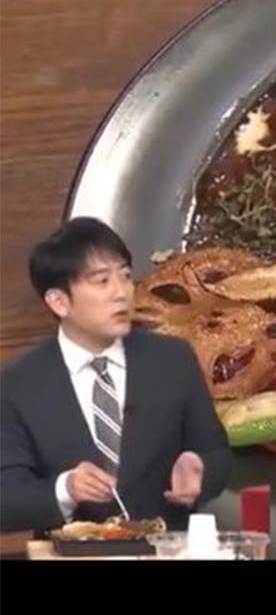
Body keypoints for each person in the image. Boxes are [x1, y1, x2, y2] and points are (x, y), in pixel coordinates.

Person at [1, 217, 230, 534]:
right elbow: (6, 500)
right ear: (59, 301)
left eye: (125, 276)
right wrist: (66, 489)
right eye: (102, 281)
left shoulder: (172, 360)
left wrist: (200, 470)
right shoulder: (18, 384)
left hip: (166, 548)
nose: (121, 293)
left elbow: (216, 453)